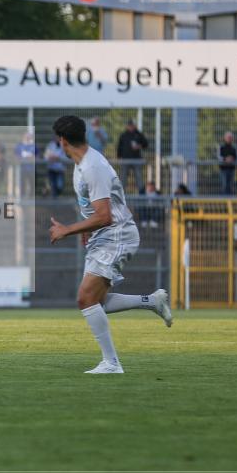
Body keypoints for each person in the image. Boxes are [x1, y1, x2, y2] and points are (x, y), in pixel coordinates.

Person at [47, 116, 172, 374]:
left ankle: (111, 363)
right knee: (97, 301)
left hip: (116, 235)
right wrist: (86, 228)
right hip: (105, 234)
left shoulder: (92, 167)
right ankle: (152, 301)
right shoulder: (83, 163)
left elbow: (106, 216)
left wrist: (68, 230)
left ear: (63, 141)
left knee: (85, 298)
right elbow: (97, 209)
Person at [116, 120, 148, 194]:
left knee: (139, 177)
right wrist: (119, 157)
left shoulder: (139, 134)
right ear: (127, 126)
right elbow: (119, 147)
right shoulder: (123, 135)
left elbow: (146, 144)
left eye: (132, 125)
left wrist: (139, 146)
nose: (131, 127)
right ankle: (121, 194)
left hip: (136, 160)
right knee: (123, 178)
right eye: (129, 125)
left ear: (134, 126)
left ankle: (141, 194)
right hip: (125, 160)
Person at [14, 131, 39, 198]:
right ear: (23, 137)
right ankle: (22, 197)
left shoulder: (34, 146)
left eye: (29, 136)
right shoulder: (19, 146)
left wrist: (32, 157)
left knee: (32, 184)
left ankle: (31, 197)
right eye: (26, 136)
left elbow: (37, 156)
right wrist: (22, 158)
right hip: (22, 169)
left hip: (32, 169)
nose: (27, 138)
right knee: (22, 184)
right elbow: (16, 156)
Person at [218, 131, 237, 196]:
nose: (229, 139)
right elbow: (219, 157)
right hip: (223, 169)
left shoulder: (234, 147)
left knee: (230, 186)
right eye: (228, 137)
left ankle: (230, 199)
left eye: (230, 137)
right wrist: (225, 159)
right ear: (225, 138)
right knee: (224, 185)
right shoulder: (221, 147)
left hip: (232, 169)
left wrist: (232, 158)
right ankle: (223, 200)